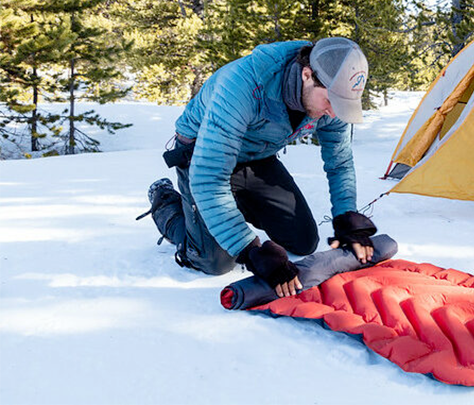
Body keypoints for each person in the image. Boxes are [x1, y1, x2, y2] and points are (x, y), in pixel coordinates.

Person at [138, 38, 378, 298]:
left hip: (255, 155)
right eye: (331, 101)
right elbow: (209, 177)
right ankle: (167, 203)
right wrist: (250, 250)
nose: (334, 113)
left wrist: (346, 217)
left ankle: (225, 209)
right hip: (202, 155)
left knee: (303, 242)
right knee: (216, 261)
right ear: (307, 75)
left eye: (343, 104)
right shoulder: (244, 84)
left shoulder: (331, 101)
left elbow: (339, 161)